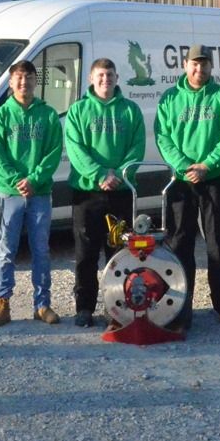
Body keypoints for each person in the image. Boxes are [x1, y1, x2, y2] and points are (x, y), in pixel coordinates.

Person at [155, 44, 220, 327]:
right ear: (185, 65)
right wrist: (184, 166)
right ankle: (181, 306)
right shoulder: (170, 99)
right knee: (180, 243)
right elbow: (163, 137)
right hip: (181, 182)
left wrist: (207, 165)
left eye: (204, 64)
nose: (199, 68)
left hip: (214, 179)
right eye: (194, 63)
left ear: (211, 66)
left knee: (218, 243)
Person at [62, 57, 145, 328]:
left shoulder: (130, 110)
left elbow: (137, 148)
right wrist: (100, 175)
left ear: (117, 78)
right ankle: (84, 308)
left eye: (110, 75)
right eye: (100, 75)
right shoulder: (78, 111)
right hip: (87, 193)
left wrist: (119, 175)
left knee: (118, 254)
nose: (105, 80)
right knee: (86, 254)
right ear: (91, 78)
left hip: (120, 192)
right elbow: (75, 149)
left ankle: (117, 308)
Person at [0, 59, 64, 327]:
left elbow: (53, 152)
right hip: (10, 193)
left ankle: (42, 305)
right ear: (10, 82)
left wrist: (34, 179)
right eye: (19, 78)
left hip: (39, 193)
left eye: (29, 77)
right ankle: (2, 302)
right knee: (6, 249)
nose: (24, 82)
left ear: (35, 81)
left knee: (41, 250)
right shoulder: (0, 116)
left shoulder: (48, 115)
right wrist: (16, 180)